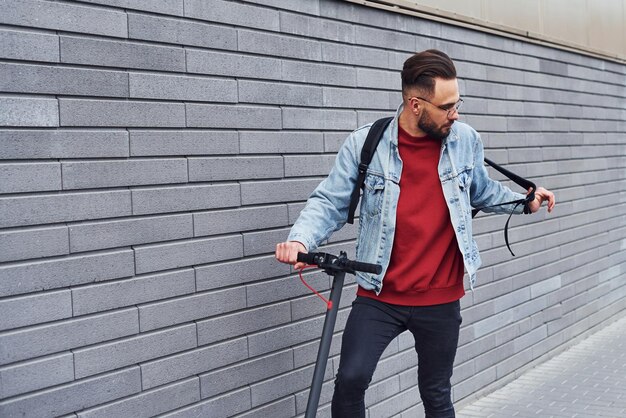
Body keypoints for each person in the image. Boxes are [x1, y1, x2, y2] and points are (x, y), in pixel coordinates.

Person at [275, 49, 555, 418]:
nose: (455, 114)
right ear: (416, 104)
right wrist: (300, 240)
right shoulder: (367, 144)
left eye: (458, 104)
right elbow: (330, 201)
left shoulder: (464, 140)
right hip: (379, 295)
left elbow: (482, 191)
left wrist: (523, 202)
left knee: (436, 394)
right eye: (447, 106)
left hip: (440, 299)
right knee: (350, 381)